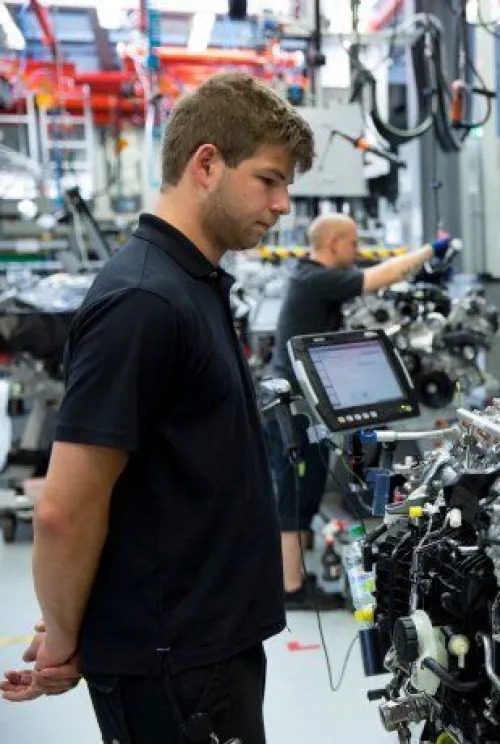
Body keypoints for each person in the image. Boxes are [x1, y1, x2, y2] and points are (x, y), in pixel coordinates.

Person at [0, 71, 314, 744]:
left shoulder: (192, 283)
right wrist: (63, 638)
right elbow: (63, 511)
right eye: (268, 180)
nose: (283, 203)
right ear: (207, 163)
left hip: (207, 646)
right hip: (175, 666)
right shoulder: (144, 301)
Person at [265, 212, 452, 610]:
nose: (358, 250)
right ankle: (291, 589)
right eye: (352, 243)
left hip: (305, 404)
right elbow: (379, 277)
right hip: (294, 408)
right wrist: (429, 251)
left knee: (306, 493)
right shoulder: (315, 279)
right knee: (296, 497)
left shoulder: (313, 275)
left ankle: (295, 576)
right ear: (333, 243)